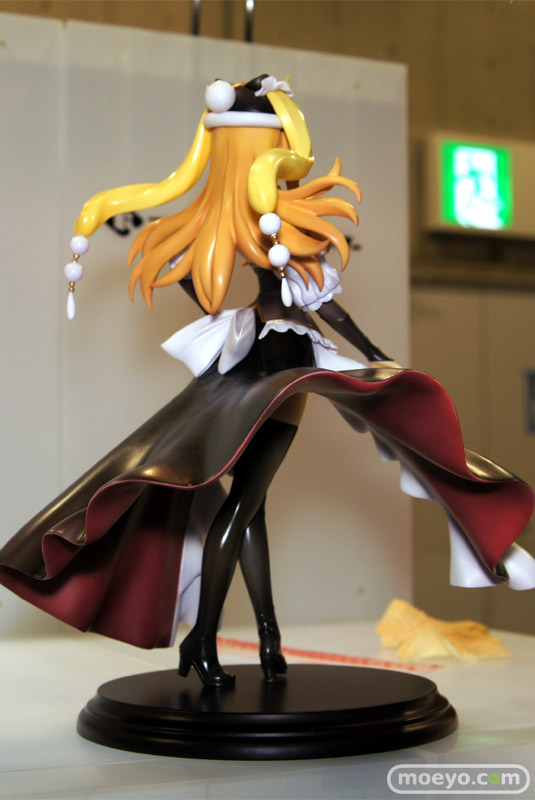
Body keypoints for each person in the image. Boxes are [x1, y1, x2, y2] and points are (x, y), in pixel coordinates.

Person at [1, 75, 534, 688]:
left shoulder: (234, 211)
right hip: (282, 367)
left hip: (247, 359)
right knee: (245, 502)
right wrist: (373, 353)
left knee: (250, 506)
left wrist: (237, 320)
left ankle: (267, 639)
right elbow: (323, 306)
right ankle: (204, 640)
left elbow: (191, 273)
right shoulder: (280, 216)